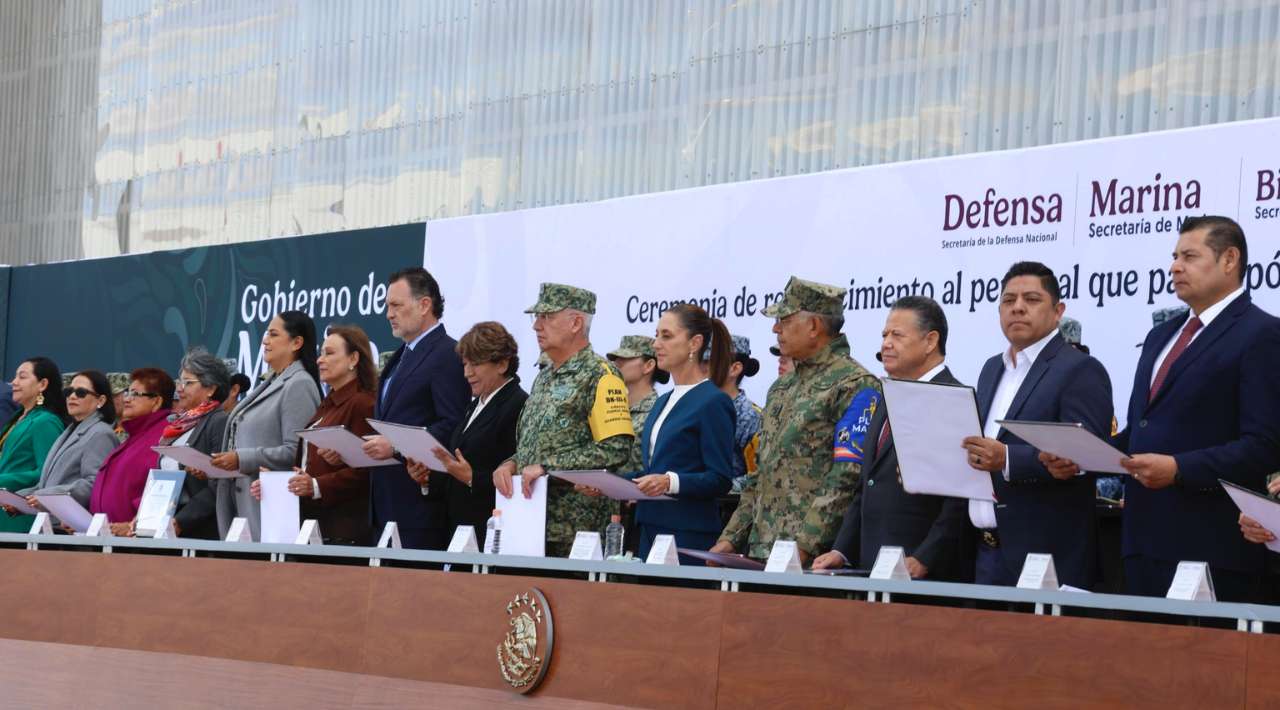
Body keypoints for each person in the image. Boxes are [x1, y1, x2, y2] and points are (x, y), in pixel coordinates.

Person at [1047, 217, 1280, 601]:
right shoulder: (1161, 337)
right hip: (1141, 541)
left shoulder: (1261, 334)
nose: (1174, 266)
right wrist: (1082, 457)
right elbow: (1141, 432)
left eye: (1189, 256)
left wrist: (1178, 469)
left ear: (1230, 260)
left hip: (1214, 548)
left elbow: (1264, 445)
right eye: (1174, 256)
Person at [961, 262, 1113, 589]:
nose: (1017, 307)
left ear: (1058, 311)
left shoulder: (1080, 369)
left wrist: (1009, 459)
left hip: (1047, 559)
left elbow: (1090, 455)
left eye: (1031, 299)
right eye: (1008, 300)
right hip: (984, 552)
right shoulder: (990, 369)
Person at [713, 277, 881, 563]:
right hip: (761, 551)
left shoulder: (855, 385)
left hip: (813, 561)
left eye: (784, 319)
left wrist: (804, 546)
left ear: (814, 326)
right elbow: (760, 473)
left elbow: (847, 476)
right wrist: (729, 539)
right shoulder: (781, 387)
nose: (775, 328)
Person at [811, 297, 971, 580]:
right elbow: (867, 484)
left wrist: (925, 558)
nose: (886, 343)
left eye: (897, 335)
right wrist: (842, 550)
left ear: (931, 341)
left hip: (923, 575)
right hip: (873, 566)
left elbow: (960, 500)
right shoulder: (888, 394)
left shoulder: (953, 399)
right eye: (885, 335)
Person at [493, 283, 635, 557]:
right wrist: (511, 463)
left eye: (546, 317)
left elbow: (615, 448)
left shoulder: (602, 374)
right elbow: (539, 445)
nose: (536, 326)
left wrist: (547, 467)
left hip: (576, 534)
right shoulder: (544, 377)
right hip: (528, 525)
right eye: (536, 317)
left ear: (576, 323)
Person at [360, 268, 470, 550]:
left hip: (420, 509)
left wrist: (395, 447)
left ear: (424, 305)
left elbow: (453, 425)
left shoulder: (447, 354)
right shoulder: (401, 355)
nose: (388, 314)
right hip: (385, 508)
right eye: (387, 306)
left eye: (396, 305)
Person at [623, 304, 735, 559]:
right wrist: (610, 484)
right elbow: (655, 471)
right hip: (649, 529)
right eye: (657, 334)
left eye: (667, 335)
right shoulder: (663, 401)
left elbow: (719, 478)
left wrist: (669, 482)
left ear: (694, 343)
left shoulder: (713, 401)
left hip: (687, 535)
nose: (656, 343)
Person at [254, 324, 378, 545]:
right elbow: (310, 467)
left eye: (329, 354)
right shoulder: (328, 404)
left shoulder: (362, 404)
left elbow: (366, 471)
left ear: (353, 359)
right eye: (320, 353)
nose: (320, 360)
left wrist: (315, 486)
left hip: (342, 530)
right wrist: (277, 480)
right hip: (313, 526)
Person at [407, 321, 528, 545]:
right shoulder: (476, 404)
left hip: (492, 535)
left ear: (502, 364)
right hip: (460, 530)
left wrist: (472, 478)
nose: (466, 373)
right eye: (464, 364)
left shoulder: (518, 404)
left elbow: (518, 479)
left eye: (475, 364)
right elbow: (459, 469)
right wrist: (427, 480)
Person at [211, 311, 322, 540]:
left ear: (297, 342)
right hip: (242, 500)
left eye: (273, 334)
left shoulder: (299, 384)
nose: (264, 341)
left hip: (269, 508)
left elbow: (297, 452)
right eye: (265, 334)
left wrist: (242, 458)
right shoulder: (272, 380)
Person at [15, 370, 117, 526]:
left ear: (101, 400)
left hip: (71, 527)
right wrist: (19, 499)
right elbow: (46, 485)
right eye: (69, 391)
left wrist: (45, 497)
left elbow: (94, 483)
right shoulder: (71, 430)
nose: (72, 396)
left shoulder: (101, 433)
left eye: (81, 392)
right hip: (51, 523)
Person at [88, 368, 175, 535]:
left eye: (135, 394)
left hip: (136, 543)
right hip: (109, 539)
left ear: (156, 402)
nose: (127, 399)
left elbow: (161, 488)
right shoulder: (135, 435)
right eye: (127, 392)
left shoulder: (164, 436)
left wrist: (134, 525)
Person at [157, 348, 230, 539]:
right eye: (180, 382)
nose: (179, 388)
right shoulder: (178, 424)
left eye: (188, 383)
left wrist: (182, 521)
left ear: (211, 389)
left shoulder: (218, 420)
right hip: (166, 519)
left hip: (199, 528)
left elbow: (220, 482)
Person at [0, 358, 70, 532]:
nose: (14, 382)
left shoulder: (46, 422)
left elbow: (45, 473)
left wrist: (3, 480)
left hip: (20, 515)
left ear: (42, 384)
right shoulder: (18, 417)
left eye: (22, 377)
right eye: (15, 377)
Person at [607, 335, 667, 473]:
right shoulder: (611, 408)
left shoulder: (659, 413)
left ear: (649, 366)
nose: (616, 363)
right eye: (615, 358)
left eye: (626, 358)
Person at [722, 335, 763, 493]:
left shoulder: (749, 415)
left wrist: (715, 488)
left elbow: (760, 474)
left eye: (709, 362)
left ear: (735, 368)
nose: (703, 368)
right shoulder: (695, 407)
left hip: (729, 511)